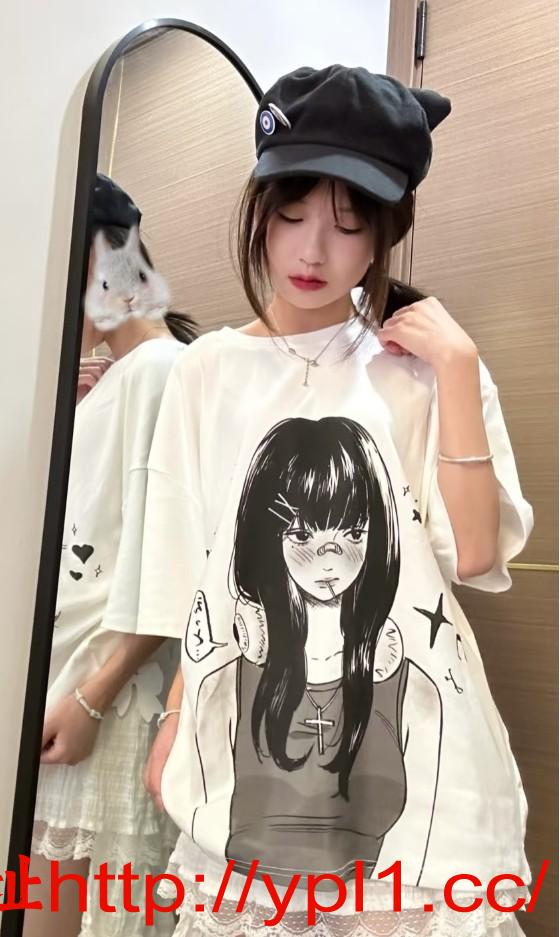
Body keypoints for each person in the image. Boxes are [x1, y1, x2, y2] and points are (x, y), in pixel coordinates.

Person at [137, 66, 535, 937]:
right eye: (291, 214)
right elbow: (194, 567)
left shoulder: (422, 367)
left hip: (414, 764)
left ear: (386, 231)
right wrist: (175, 715)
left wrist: (458, 369)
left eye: (349, 224)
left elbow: (475, 554)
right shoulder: (206, 370)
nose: (313, 251)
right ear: (259, 210)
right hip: (254, 752)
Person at [23, 174, 198, 937]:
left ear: (100, 262)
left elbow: (176, 565)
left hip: (110, 703)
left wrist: (92, 699)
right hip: (75, 694)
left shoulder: (162, 371)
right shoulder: (123, 378)